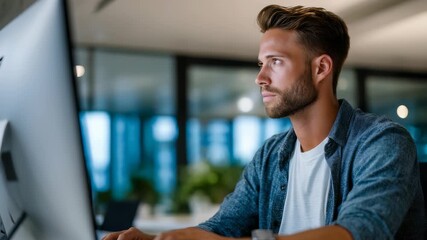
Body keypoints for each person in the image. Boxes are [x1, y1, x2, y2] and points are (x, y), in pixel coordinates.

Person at [103, 4, 425, 240]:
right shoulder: (271, 155)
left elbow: (362, 231)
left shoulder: (382, 142)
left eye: (276, 62)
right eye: (261, 63)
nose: (260, 78)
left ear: (321, 68)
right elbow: (221, 229)